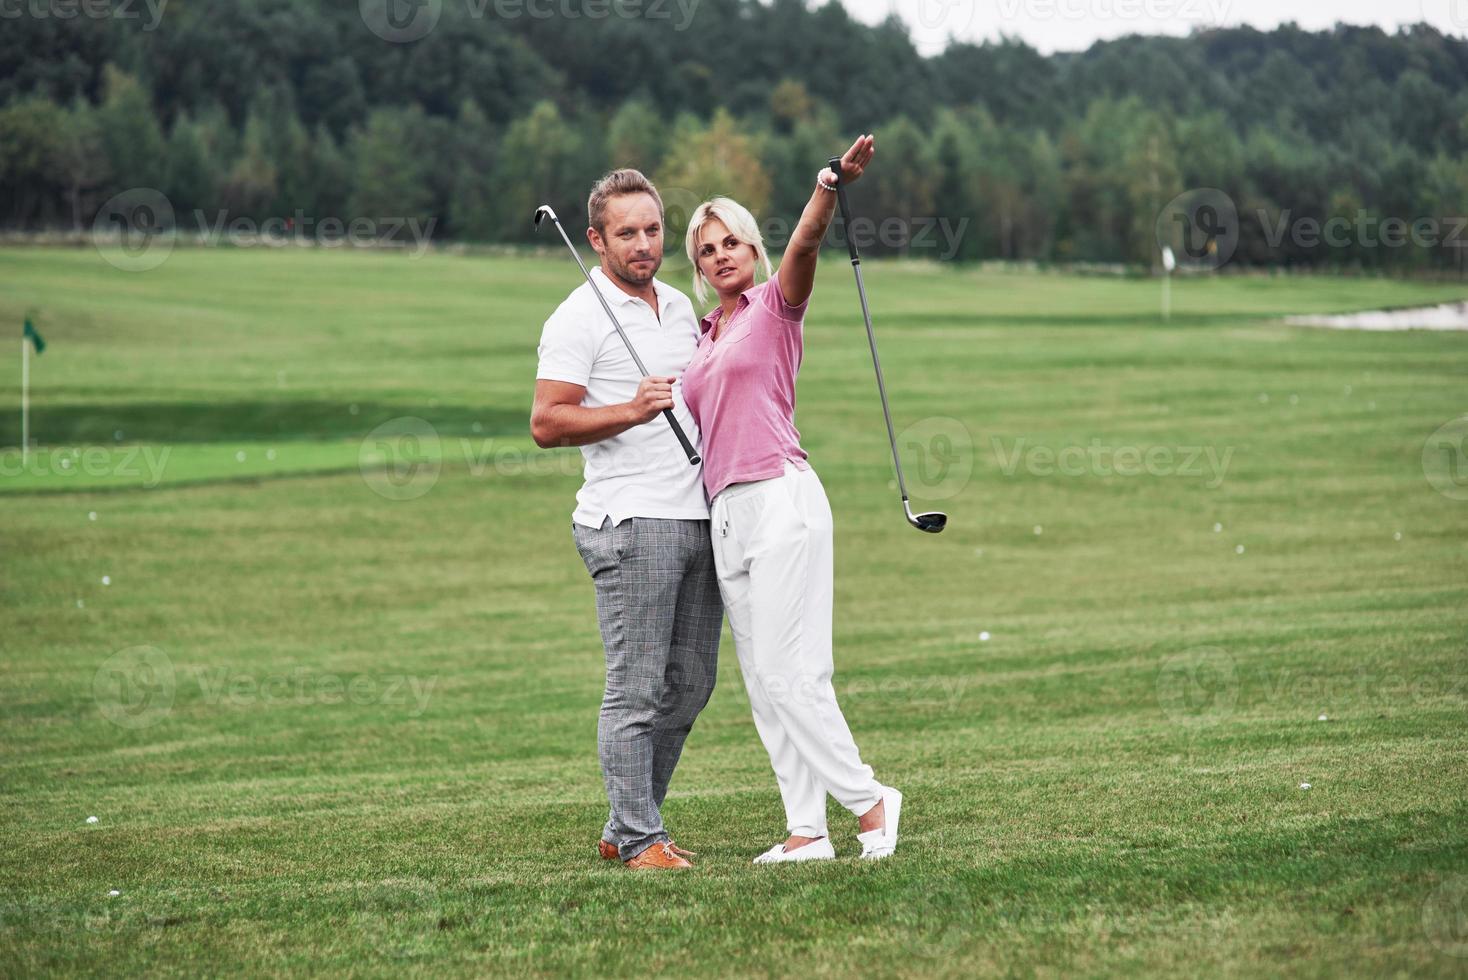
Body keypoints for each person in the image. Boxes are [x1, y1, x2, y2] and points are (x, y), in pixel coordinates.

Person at [679, 135, 902, 863]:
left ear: (753, 248)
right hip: (726, 515)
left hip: (781, 496)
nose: (720, 255)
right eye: (707, 249)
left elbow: (807, 242)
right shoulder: (705, 333)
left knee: (790, 674)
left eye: (732, 242)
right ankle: (806, 830)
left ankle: (869, 801)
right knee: (766, 688)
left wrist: (829, 183)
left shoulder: (776, 306)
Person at [531, 169, 720, 871]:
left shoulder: (677, 306)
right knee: (637, 688)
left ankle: (628, 823)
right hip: (634, 522)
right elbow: (546, 423)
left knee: (691, 683)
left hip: (700, 515)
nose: (643, 245)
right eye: (626, 233)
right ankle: (641, 839)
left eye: (652, 229)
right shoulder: (577, 317)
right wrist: (630, 410)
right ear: (595, 239)